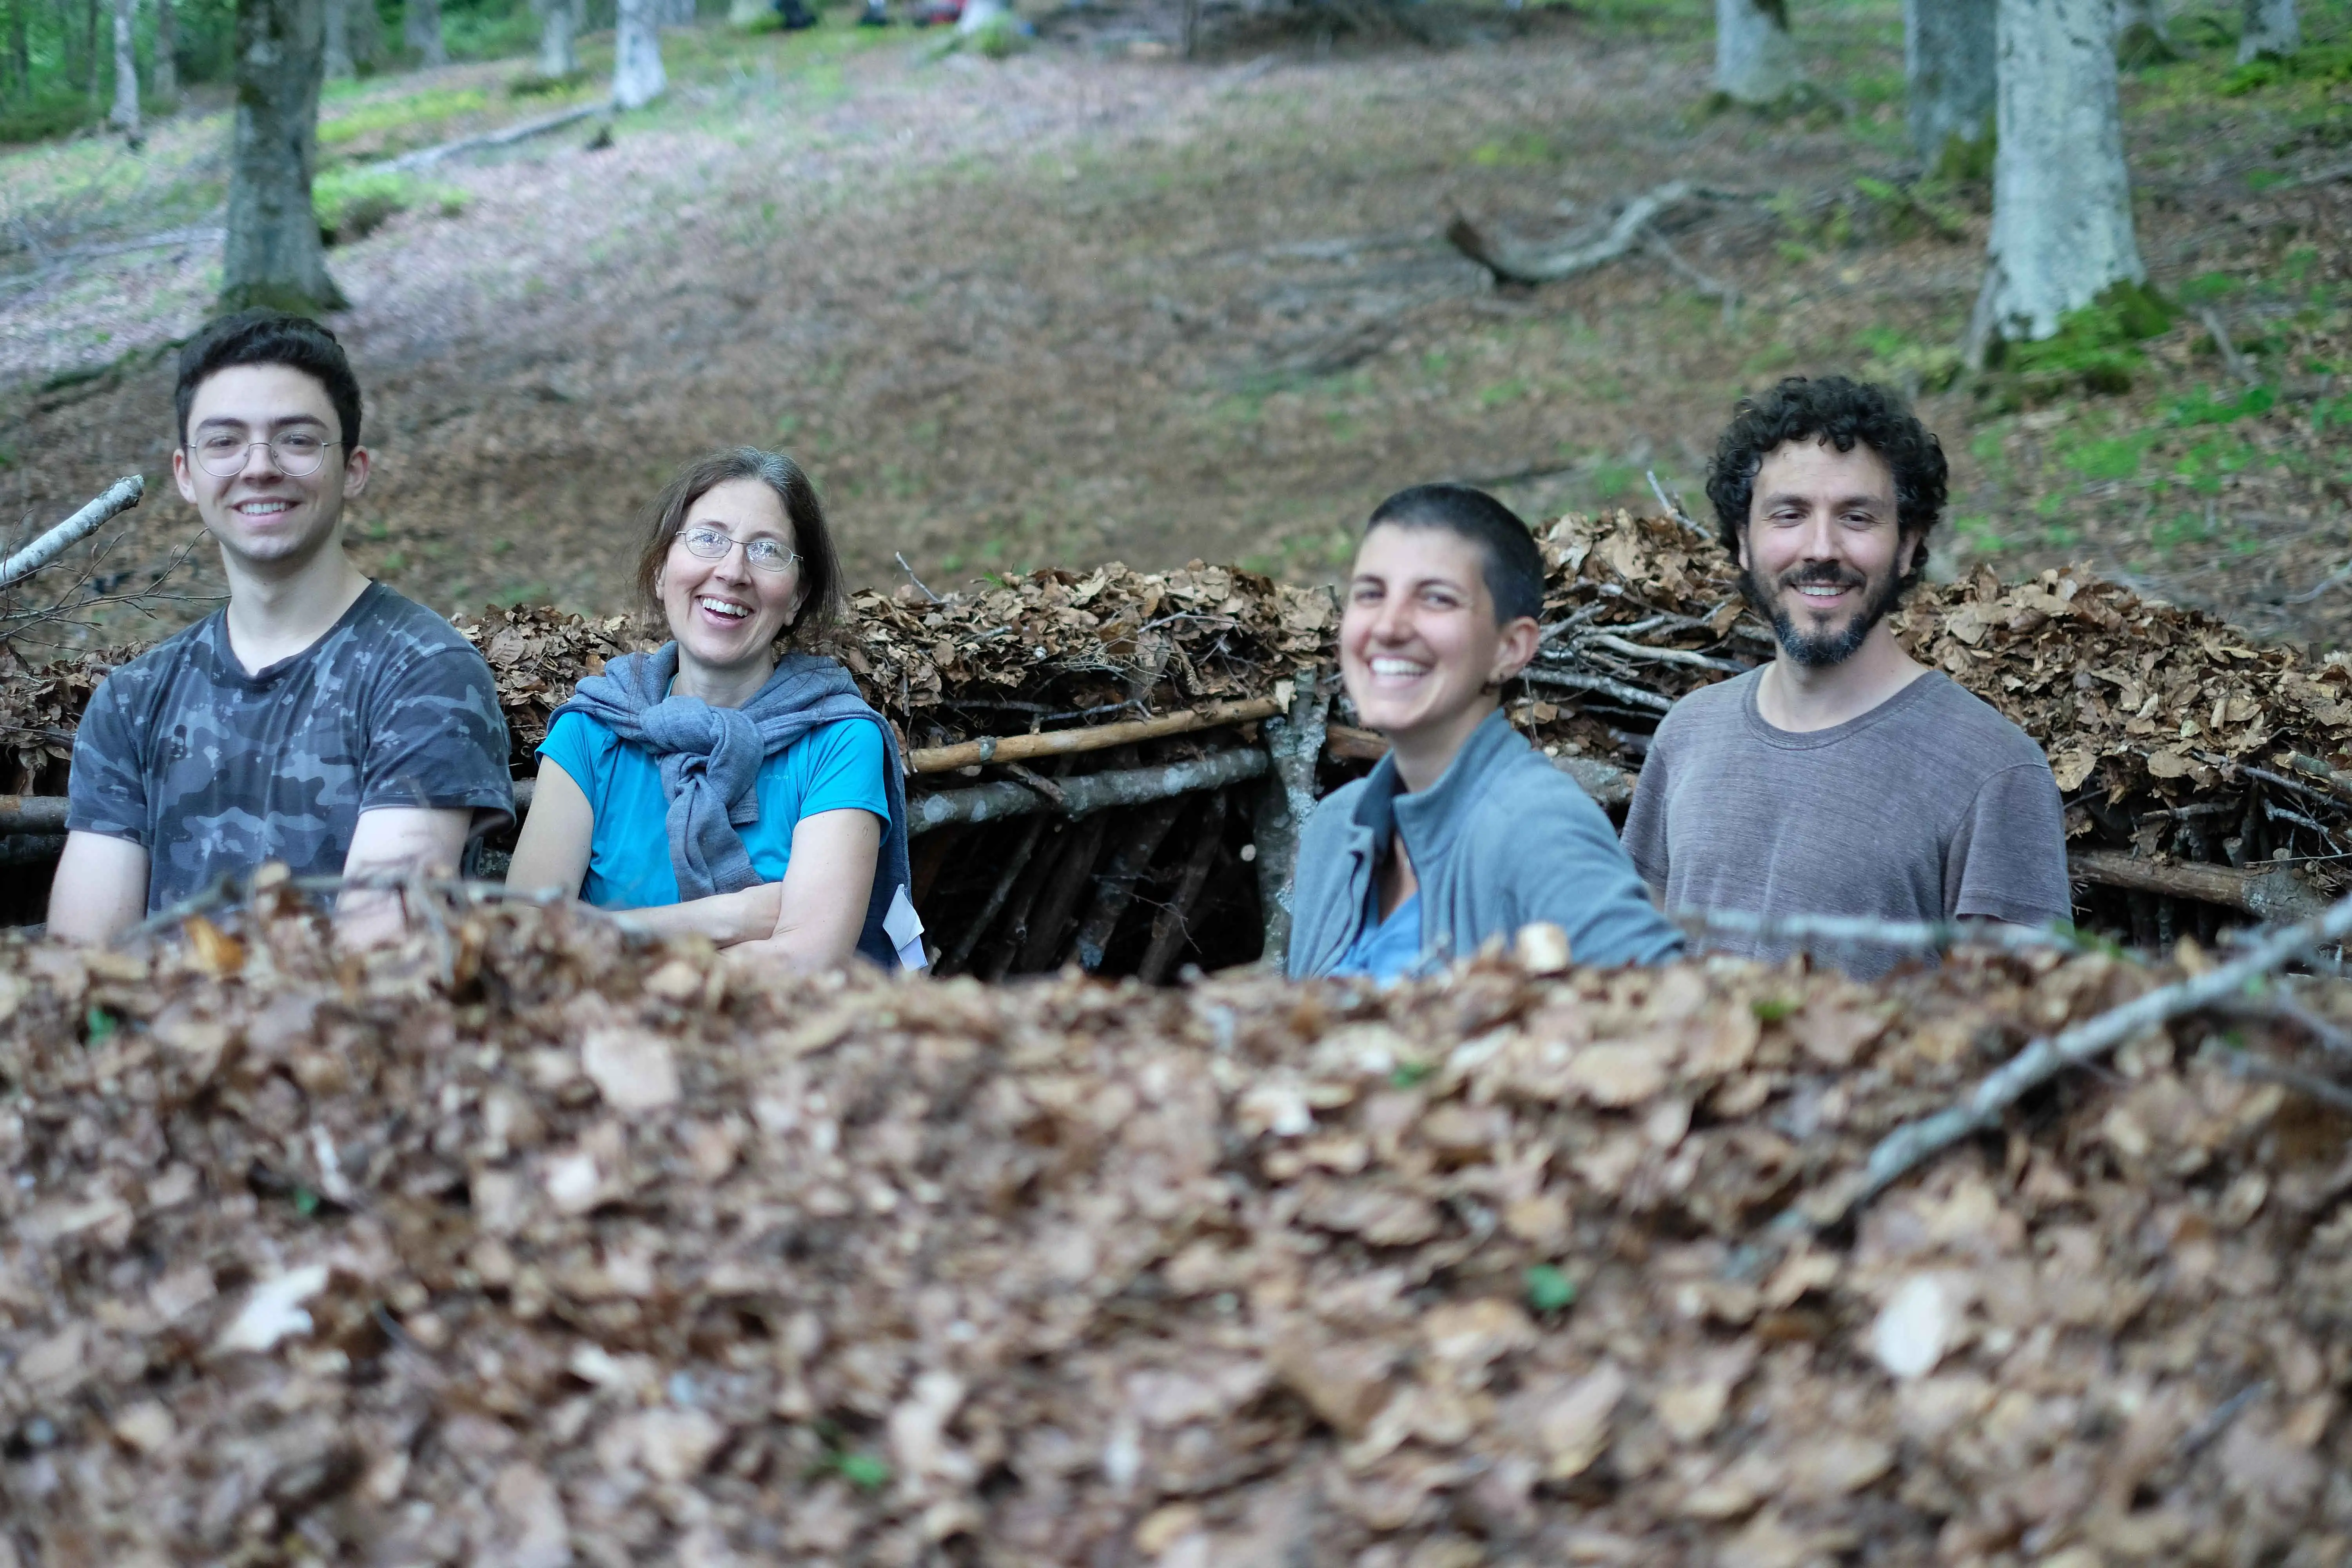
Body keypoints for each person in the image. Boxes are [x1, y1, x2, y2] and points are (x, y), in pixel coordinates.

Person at [51, 310, 513, 944]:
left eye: (297, 439)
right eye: (224, 442)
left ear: (353, 468)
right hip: (145, 1039)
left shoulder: (426, 673)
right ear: (186, 474)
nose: (259, 466)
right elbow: (82, 960)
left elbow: (379, 953)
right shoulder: (132, 702)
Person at [1622, 376, 2071, 978]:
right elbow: (1632, 974)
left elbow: (2024, 1027)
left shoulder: (1993, 771)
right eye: (1790, 514)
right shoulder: (1688, 735)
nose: (1822, 548)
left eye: (1857, 517)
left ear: (1909, 547)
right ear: (1744, 543)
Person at [505, 448, 923, 972]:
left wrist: (595, 939)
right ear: (661, 570)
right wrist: (727, 918)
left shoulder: (838, 742)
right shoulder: (590, 733)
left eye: (767, 550)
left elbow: (806, 962)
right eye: (708, 538)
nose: (732, 571)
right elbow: (523, 944)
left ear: (797, 597)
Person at [1288, 484, 1683, 981]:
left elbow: (1667, 1007)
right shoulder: (1336, 828)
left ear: (1511, 648)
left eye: (1436, 598)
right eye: (1370, 593)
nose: (1388, 626)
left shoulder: (1538, 827)